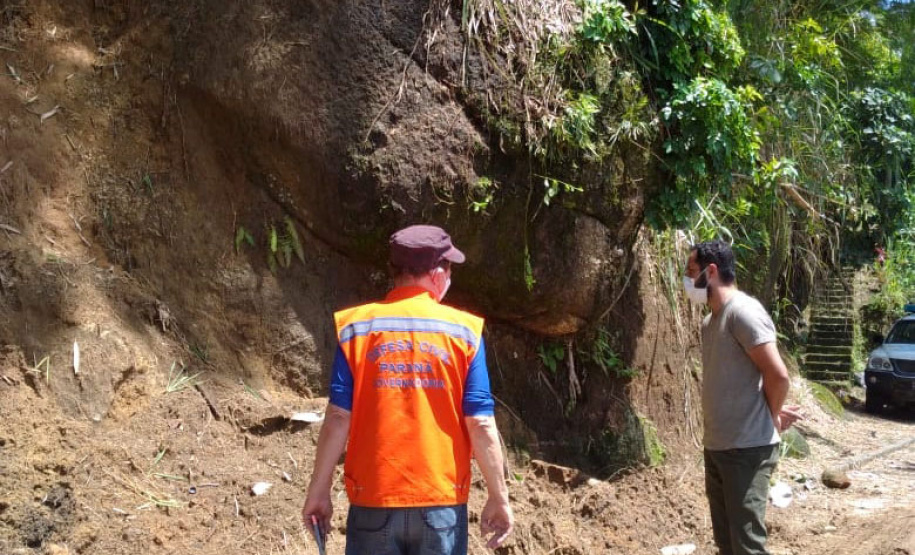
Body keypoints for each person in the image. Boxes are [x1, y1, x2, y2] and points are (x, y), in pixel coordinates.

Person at [302, 224, 514, 555]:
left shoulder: (358, 327)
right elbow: (481, 422)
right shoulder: (464, 333)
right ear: (437, 274)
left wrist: (318, 490)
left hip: (374, 500)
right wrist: (499, 498)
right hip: (440, 502)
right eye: (448, 268)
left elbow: (339, 416)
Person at [683, 240, 802, 555]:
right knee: (727, 545)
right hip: (718, 448)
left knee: (747, 547)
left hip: (747, 451)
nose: (686, 280)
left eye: (690, 272)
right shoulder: (711, 323)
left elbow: (778, 376)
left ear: (711, 272)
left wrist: (771, 416)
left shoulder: (743, 313)